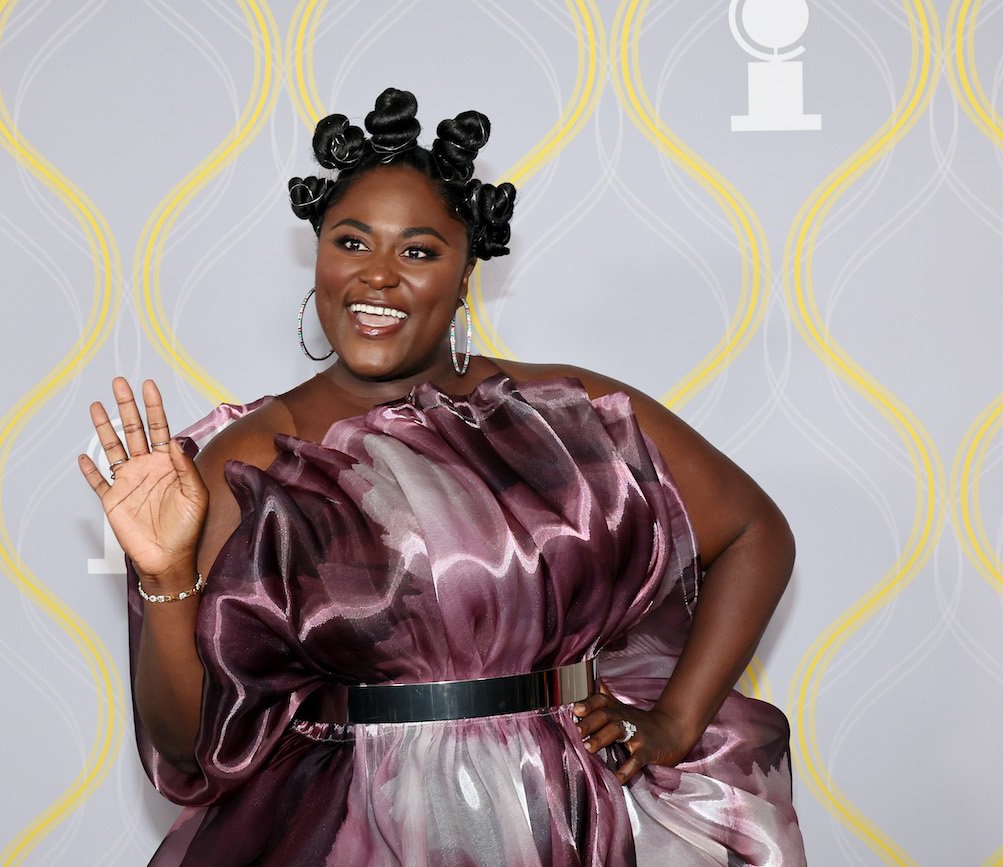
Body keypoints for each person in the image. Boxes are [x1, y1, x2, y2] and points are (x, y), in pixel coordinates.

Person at [80, 88, 806, 865]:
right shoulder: (249, 462)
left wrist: (673, 719)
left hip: (568, 817)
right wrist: (165, 577)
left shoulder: (571, 415)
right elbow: (188, 748)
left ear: (466, 274)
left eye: (418, 250)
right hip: (355, 835)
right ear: (318, 254)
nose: (379, 277)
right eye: (351, 241)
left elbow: (754, 533)